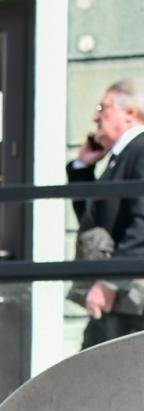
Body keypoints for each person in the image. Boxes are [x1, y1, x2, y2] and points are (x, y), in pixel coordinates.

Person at [68, 78, 144, 348]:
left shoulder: (140, 148)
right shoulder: (122, 157)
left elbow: (142, 221)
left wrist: (112, 280)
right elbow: (93, 221)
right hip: (122, 293)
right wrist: (82, 168)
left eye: (104, 107)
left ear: (130, 113)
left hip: (129, 292)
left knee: (103, 379)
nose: (95, 116)